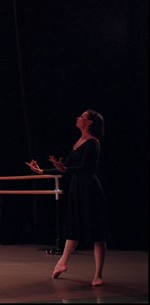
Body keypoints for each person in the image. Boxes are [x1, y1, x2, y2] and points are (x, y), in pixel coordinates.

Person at [26, 109, 109, 287]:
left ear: (89, 123)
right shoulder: (78, 142)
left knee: (97, 232)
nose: (78, 117)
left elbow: (86, 168)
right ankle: (62, 262)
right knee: (74, 225)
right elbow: (67, 167)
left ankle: (98, 274)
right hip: (77, 189)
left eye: (82, 116)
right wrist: (42, 171)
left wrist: (65, 169)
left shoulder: (93, 143)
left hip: (90, 189)